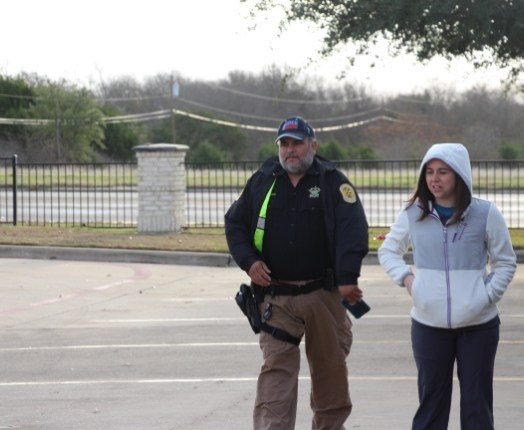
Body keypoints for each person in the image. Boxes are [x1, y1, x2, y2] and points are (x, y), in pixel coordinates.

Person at [225, 116, 369, 430]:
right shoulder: (263, 180)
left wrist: (347, 279)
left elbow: (353, 233)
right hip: (276, 299)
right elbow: (234, 224)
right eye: (284, 144)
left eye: (297, 143)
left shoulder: (333, 182)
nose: (290, 150)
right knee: (275, 374)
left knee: (330, 376)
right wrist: (249, 261)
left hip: (323, 296)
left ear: (312, 145)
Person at [378, 143, 517, 430]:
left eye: (443, 172)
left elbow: (505, 261)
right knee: (431, 407)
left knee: (477, 408)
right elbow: (388, 251)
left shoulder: (485, 213)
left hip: (479, 325)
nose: (434, 179)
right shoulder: (413, 213)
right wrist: (409, 281)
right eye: (429, 172)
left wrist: (487, 296)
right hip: (428, 325)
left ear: (460, 176)